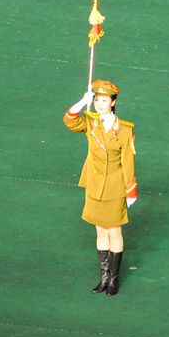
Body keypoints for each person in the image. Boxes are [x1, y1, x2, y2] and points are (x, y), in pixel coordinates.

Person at [63, 79, 138, 296]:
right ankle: (103, 277)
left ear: (113, 102)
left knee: (114, 230)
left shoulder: (124, 130)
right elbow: (69, 121)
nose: (99, 104)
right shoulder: (90, 122)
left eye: (104, 100)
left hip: (114, 185)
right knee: (100, 229)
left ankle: (113, 279)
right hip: (95, 184)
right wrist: (81, 101)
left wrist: (130, 189)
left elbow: (127, 161)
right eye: (97, 100)